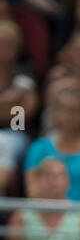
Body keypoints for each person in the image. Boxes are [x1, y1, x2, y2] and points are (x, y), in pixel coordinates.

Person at [0, 18, 39, 195]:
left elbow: (22, 114)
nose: (3, 48)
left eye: (9, 44)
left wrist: (15, 105)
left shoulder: (24, 73)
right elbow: (15, 106)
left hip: (15, 133)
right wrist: (11, 101)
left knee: (4, 143)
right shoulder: (21, 83)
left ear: (18, 47)